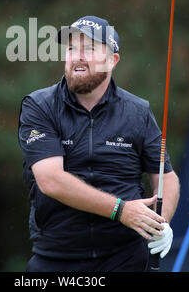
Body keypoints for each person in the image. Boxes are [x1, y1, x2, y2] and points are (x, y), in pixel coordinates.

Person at [18, 15, 180, 272]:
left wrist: (162, 223)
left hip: (125, 257)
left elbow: (166, 177)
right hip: (56, 258)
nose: (77, 56)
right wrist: (121, 210)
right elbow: (50, 180)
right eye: (71, 48)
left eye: (89, 48)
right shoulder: (40, 106)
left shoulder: (138, 111)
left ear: (112, 60)